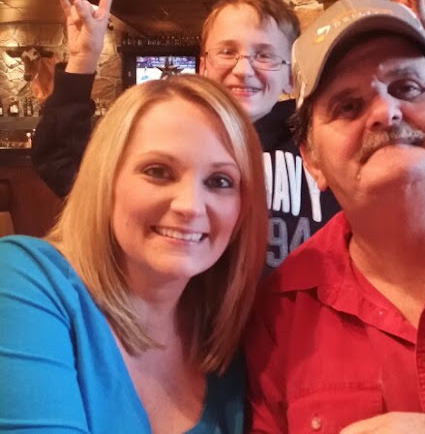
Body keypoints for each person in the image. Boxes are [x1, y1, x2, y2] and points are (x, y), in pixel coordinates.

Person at [31, 0, 425, 269]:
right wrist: (82, 62)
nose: (243, 69)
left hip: (311, 328)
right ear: (203, 64)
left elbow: (424, 157)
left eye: (264, 55)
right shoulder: (177, 139)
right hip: (209, 337)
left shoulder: (323, 135)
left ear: (291, 75)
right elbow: (65, 166)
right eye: (227, 51)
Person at [244, 0, 425, 433]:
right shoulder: (280, 313)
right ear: (312, 160)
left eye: (407, 88)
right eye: (347, 106)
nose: (385, 112)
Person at [0, 75, 268, 433]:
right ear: (106, 180)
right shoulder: (23, 281)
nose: (190, 205)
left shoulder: (226, 330)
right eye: (158, 172)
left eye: (220, 181)